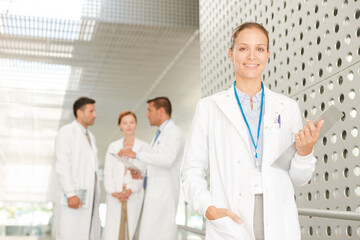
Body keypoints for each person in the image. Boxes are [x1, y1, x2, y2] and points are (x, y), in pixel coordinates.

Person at [181, 22, 324, 240]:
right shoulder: (209, 107)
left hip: (277, 214)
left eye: (259, 49)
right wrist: (208, 207)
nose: (251, 56)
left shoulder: (287, 108)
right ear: (231, 54)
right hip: (231, 215)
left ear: (268, 55)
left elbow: (298, 179)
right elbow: (191, 170)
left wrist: (305, 152)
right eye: (243, 48)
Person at [119, 97, 185, 240]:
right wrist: (143, 174)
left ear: (160, 111)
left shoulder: (174, 132)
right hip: (154, 195)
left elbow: (167, 159)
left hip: (164, 196)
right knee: (150, 234)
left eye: (149, 111)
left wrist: (136, 155)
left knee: (162, 234)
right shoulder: (159, 135)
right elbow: (157, 163)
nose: (147, 115)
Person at [55, 97, 100, 240]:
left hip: (89, 196)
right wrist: (70, 193)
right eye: (91, 111)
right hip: (74, 195)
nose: (95, 115)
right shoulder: (67, 132)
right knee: (71, 232)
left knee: (85, 232)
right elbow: (62, 164)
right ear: (79, 113)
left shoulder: (90, 136)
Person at [102, 111, 149, 240]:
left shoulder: (144, 147)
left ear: (136, 124)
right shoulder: (113, 146)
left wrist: (130, 190)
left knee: (132, 231)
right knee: (114, 232)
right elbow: (108, 173)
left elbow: (142, 172)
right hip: (116, 194)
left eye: (131, 122)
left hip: (133, 194)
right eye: (125, 123)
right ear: (120, 126)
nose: (128, 126)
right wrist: (114, 192)